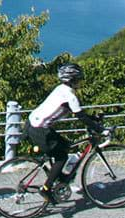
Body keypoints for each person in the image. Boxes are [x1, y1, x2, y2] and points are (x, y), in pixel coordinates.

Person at [25, 63, 103, 204]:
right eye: (78, 79)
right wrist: (99, 128)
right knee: (61, 156)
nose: (80, 81)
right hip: (40, 129)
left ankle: (59, 178)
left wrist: (93, 120)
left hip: (33, 123)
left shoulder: (61, 89)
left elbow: (80, 114)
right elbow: (81, 117)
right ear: (72, 79)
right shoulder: (70, 96)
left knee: (66, 145)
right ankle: (46, 188)